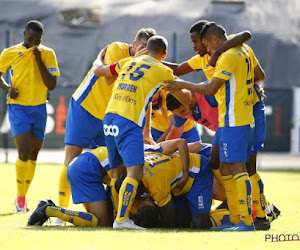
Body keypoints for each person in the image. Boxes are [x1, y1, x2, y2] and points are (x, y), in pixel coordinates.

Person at [54, 28, 156, 226]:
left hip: (110, 118)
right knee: (71, 159)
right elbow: (109, 77)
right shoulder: (117, 48)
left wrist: (147, 131)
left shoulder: (146, 64)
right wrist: (134, 61)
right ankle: (60, 213)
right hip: (85, 107)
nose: (144, 52)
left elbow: (147, 95)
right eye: (141, 48)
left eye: (148, 49)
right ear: (133, 46)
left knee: (113, 166)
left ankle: (116, 213)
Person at [165, 22, 257, 231]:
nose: (199, 47)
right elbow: (179, 68)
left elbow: (211, 87)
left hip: (236, 117)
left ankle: (248, 218)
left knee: (240, 167)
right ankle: (235, 217)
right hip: (228, 119)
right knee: (219, 163)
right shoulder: (208, 57)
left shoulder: (228, 54)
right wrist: (152, 62)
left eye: (199, 42)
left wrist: (182, 84)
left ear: (212, 40)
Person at [93, 35, 189, 229]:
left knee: (116, 173)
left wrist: (99, 58)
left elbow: (99, 71)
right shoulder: (163, 70)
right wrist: (179, 82)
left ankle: (117, 216)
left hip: (109, 117)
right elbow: (185, 99)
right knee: (135, 172)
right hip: (128, 120)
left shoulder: (128, 61)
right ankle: (121, 220)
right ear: (164, 54)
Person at [0, 20, 60, 213]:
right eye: (30, 39)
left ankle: (24, 196)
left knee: (33, 154)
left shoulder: (48, 54)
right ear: (24, 33)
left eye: (38, 41)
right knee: (23, 152)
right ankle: (19, 198)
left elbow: (51, 84)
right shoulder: (9, 52)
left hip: (39, 108)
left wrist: (38, 59)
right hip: (18, 108)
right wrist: (7, 88)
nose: (34, 43)